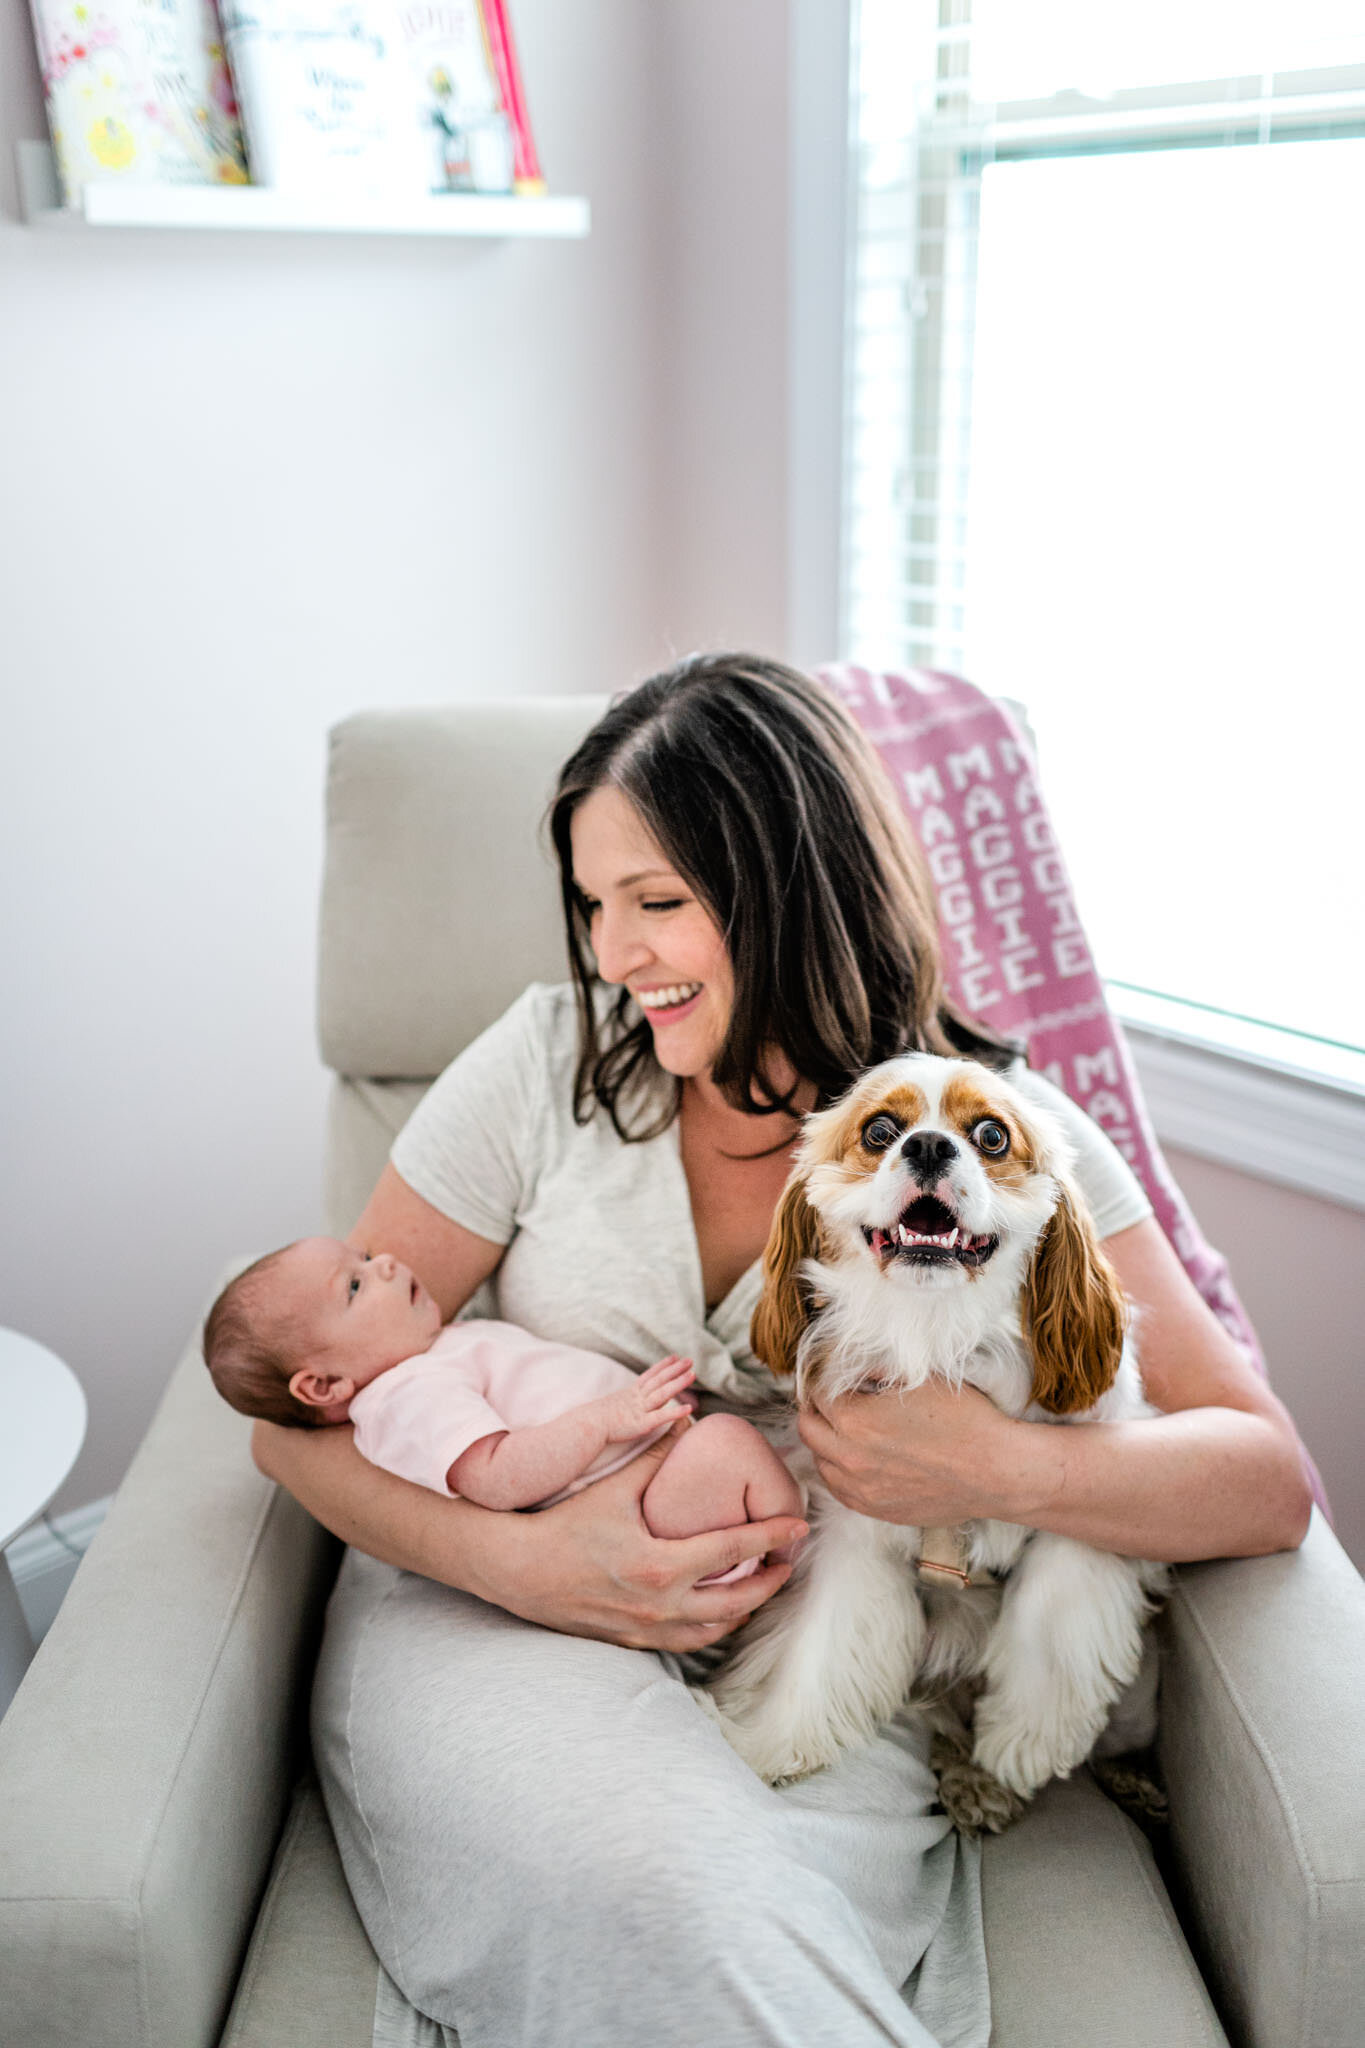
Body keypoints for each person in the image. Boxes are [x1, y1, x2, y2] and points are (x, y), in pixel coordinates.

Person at [253, 653, 1312, 2048]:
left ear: (787, 893)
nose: (615, 954)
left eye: (658, 903)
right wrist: (520, 1560)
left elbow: (1262, 1478)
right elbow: (297, 1416)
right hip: (488, 1615)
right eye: (593, 906)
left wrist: (992, 1466)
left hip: (826, 1659)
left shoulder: (997, 1140)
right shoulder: (543, 1067)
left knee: (726, 1932)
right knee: (635, 1883)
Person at [202, 1236, 800, 1566]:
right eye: (355, 1285)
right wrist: (607, 1419)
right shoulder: (405, 1397)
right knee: (730, 1443)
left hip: (659, 1483)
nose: (382, 1261)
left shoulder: (428, 1356)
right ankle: (794, 1560)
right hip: (637, 1520)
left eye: (362, 1255)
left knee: (738, 1447)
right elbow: (496, 1476)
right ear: (324, 1387)